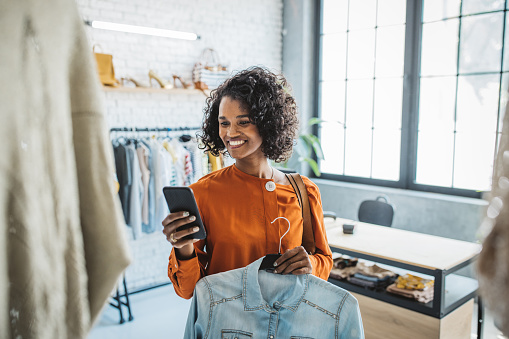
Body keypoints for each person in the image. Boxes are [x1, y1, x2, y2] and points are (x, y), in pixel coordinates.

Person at [162, 66, 333, 299]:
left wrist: (311, 264)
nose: (231, 132)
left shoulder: (303, 191)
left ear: (268, 123)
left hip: (288, 325)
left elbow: (324, 262)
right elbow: (188, 290)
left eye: (243, 122)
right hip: (227, 326)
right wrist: (183, 248)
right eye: (224, 123)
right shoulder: (202, 193)